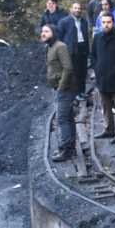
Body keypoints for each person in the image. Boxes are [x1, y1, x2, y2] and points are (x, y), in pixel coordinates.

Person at [41, 24, 77, 162]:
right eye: (42, 31)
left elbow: (68, 68)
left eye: (46, 31)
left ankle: (66, 149)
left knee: (62, 119)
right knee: (68, 118)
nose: (43, 34)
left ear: (54, 33)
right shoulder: (49, 47)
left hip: (65, 89)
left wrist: (61, 87)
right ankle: (70, 147)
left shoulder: (60, 46)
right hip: (59, 88)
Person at [91, 11, 115, 143]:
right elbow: (93, 55)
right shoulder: (97, 38)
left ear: (113, 23)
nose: (106, 25)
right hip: (102, 78)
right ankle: (108, 129)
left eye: (108, 22)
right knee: (105, 106)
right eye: (104, 22)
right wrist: (96, 69)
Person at [57, 1, 90, 100]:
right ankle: (75, 94)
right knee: (74, 73)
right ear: (71, 9)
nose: (77, 10)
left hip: (82, 49)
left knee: (83, 72)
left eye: (79, 8)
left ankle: (82, 92)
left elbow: (86, 36)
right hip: (71, 50)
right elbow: (60, 37)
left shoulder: (84, 21)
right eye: (75, 8)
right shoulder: (64, 22)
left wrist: (88, 51)